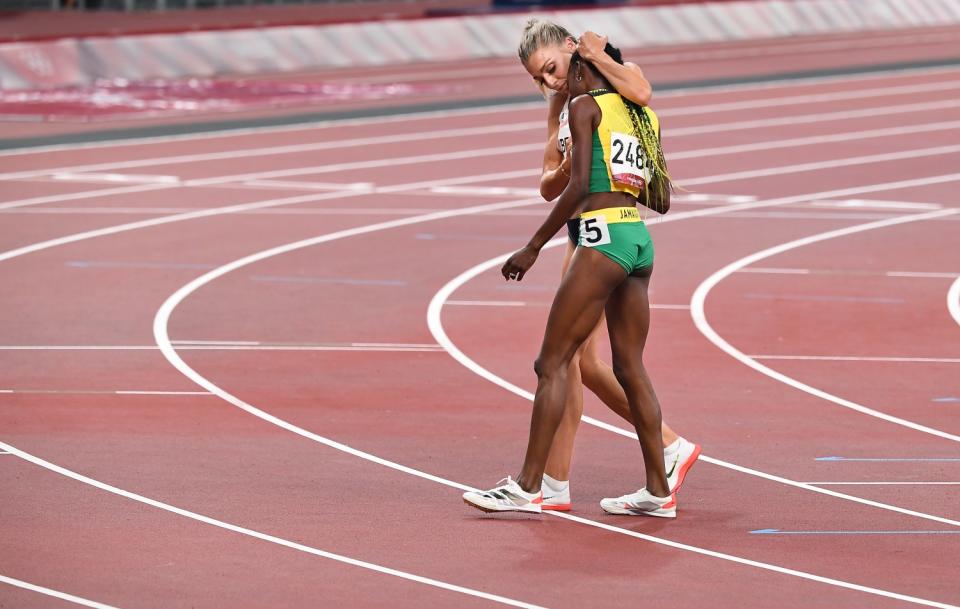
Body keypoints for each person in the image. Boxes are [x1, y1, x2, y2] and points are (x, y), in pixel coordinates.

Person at [464, 42, 685, 517]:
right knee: (630, 367)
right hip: (638, 239)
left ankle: (528, 487)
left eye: (557, 72)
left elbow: (579, 186)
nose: (554, 87)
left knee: (551, 363)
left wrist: (533, 245)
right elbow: (662, 197)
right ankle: (658, 491)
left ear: (581, 64)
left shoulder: (584, 106)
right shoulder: (640, 115)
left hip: (602, 240)